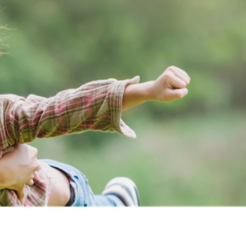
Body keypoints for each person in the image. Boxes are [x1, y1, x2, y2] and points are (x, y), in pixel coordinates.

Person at [0, 66, 191, 210]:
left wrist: (147, 91)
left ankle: (117, 204)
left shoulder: (4, 117)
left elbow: (60, 110)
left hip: (70, 201)